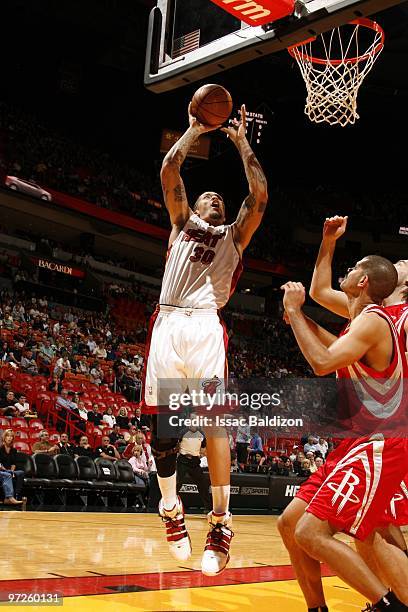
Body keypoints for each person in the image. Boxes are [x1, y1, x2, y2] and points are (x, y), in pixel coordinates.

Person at [143, 102, 268, 575]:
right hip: (169, 323)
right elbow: (170, 167)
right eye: (207, 195)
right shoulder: (180, 224)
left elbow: (259, 196)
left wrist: (240, 142)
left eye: (219, 197)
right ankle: (171, 509)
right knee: (164, 434)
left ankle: (220, 520)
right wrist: (195, 129)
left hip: (205, 325)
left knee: (216, 423)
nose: (214, 198)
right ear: (193, 205)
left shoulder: (235, 235)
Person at [279, 254, 408, 610]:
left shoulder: (393, 317)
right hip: (356, 439)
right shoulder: (363, 317)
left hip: (384, 436)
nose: (402, 260)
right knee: (293, 525)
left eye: (404, 263)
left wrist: (294, 314)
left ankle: (389, 603)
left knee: (370, 533)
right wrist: (327, 242)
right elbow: (322, 296)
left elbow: (323, 360)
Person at [177, 420, 210, 512]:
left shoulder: (202, 434)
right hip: (182, 461)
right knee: (177, 483)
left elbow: (203, 448)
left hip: (195, 462)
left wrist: (198, 453)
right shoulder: (183, 432)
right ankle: (170, 506)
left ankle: (208, 508)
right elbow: (177, 444)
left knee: (203, 484)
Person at [0, 429, 25, 501]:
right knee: (7, 474)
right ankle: (9, 498)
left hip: (10, 470)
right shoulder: (0, 449)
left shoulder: (14, 450)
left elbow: (14, 463)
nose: (10, 438)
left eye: (11, 436)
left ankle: (17, 495)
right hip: (2, 470)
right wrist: (6, 471)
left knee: (21, 473)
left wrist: (11, 471)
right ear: (4, 437)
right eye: (8, 436)